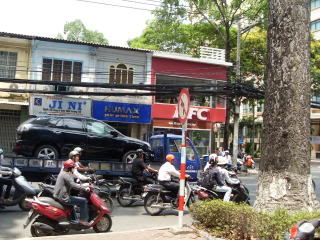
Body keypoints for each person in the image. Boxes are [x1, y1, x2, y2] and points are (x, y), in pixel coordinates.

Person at [54, 159, 90, 226]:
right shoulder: (67, 175)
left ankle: (74, 220)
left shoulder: (62, 173)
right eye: (73, 168)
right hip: (64, 197)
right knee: (83, 201)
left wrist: (84, 181)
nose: (74, 169)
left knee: (74, 202)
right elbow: (73, 185)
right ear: (70, 168)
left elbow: (77, 177)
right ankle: (83, 220)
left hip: (59, 195)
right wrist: (84, 188)